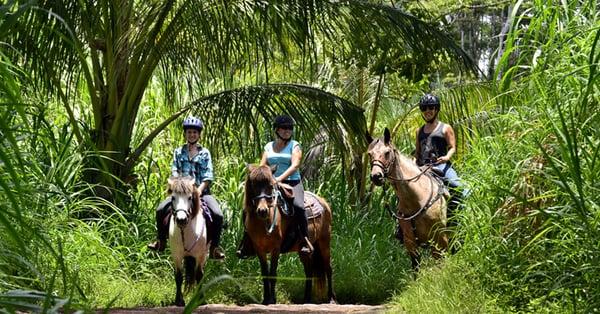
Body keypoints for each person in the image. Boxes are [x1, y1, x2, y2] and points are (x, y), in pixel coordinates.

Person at [148, 116, 225, 260]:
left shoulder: (205, 153)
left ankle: (215, 247)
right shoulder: (178, 152)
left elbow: (208, 176)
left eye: (195, 132)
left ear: (199, 134)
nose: (192, 135)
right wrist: (177, 186)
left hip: (202, 192)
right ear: (185, 134)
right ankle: (161, 241)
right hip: (181, 194)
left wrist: (198, 190)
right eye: (189, 132)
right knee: (160, 209)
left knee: (218, 214)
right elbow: (174, 172)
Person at [236, 114, 312, 258]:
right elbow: (263, 166)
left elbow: (295, 165)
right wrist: (262, 177)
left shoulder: (294, 145)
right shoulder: (268, 146)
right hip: (270, 183)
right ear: (276, 130)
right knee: (248, 208)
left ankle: (304, 240)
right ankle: (246, 242)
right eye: (284, 128)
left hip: (291, 183)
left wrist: (278, 179)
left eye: (289, 128)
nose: (287, 131)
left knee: (299, 207)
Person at [414, 94, 464, 227]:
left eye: (431, 107)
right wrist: (413, 163)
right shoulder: (419, 131)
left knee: (457, 187)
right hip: (423, 168)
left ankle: (456, 220)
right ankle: (403, 228)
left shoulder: (445, 128)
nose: (427, 111)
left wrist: (447, 157)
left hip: (441, 166)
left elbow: (452, 147)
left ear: (436, 109)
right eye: (424, 108)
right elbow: (417, 152)